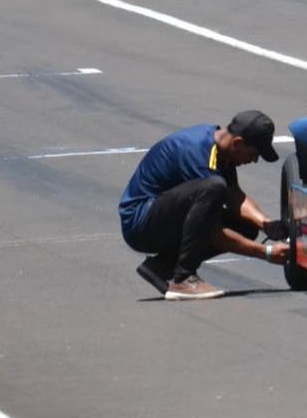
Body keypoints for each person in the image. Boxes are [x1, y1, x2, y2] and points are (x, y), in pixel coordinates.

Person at [118, 110, 290, 300]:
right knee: (215, 187)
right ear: (237, 143)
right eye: (254, 154)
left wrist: (266, 224)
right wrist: (265, 252)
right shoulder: (198, 156)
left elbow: (234, 196)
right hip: (140, 223)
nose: (254, 160)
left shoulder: (220, 147)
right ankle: (183, 279)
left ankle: (161, 266)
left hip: (163, 215)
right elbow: (212, 232)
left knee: (246, 227)